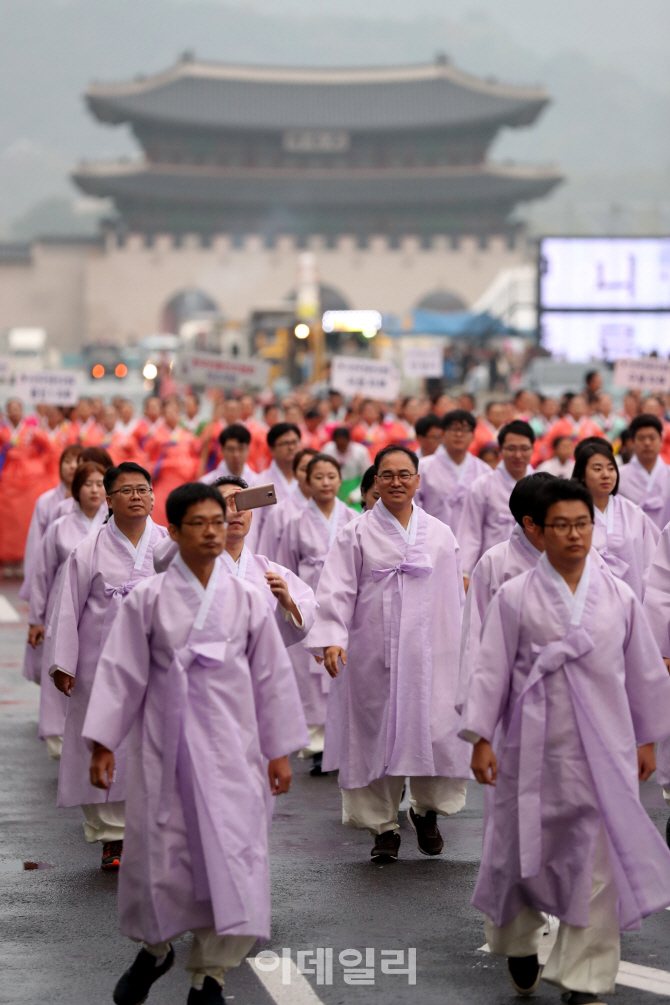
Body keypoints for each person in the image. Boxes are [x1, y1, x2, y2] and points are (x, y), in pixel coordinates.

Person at [83, 482, 308, 1005]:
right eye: (200, 523)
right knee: (161, 855)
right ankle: (155, 949)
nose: (213, 531)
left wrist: (278, 750)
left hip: (235, 750)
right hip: (166, 747)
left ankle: (209, 973)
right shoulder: (147, 598)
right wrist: (102, 745)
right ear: (177, 532)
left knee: (233, 856)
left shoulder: (249, 599)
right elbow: (120, 674)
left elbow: (271, 677)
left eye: (218, 521)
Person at [460, 477, 670, 1004]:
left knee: (596, 866)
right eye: (562, 525)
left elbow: (643, 671)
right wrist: (481, 736)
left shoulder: (618, 596)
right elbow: (490, 670)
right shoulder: (513, 596)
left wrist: (648, 739)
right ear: (539, 531)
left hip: (604, 747)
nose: (574, 535)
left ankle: (585, 976)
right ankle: (520, 939)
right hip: (529, 748)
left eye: (582, 524)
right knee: (518, 854)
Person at [305, 445, 471, 862]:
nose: (396, 482)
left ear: (418, 480)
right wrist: (332, 637)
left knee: (434, 729)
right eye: (387, 475)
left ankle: (428, 810)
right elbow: (336, 590)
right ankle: (382, 827)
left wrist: (462, 651)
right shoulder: (355, 533)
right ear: (375, 481)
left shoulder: (440, 534)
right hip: (372, 652)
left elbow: (454, 600)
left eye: (405, 474)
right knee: (372, 734)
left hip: (430, 654)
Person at [49, 462, 167, 870]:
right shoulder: (89, 548)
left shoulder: (168, 545)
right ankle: (111, 837)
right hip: (100, 661)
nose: (137, 496)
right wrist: (64, 662)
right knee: (105, 738)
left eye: (143, 489)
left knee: (151, 741)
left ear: (153, 497)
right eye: (127, 490)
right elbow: (66, 608)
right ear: (111, 500)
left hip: (156, 659)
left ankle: (150, 830)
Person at [276, 454, 357, 772]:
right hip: (308, 601)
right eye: (318, 477)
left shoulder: (352, 517)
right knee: (310, 675)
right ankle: (318, 744)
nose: (325, 482)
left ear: (340, 480)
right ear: (307, 482)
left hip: (340, 600)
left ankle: (341, 738)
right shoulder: (295, 523)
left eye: (331, 476)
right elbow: (285, 565)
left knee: (341, 668)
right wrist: (291, 602)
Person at [25, 462, 108, 760]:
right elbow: (42, 573)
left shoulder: (112, 525)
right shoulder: (59, 528)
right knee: (61, 664)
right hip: (64, 603)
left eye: (100, 483)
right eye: (89, 484)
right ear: (77, 490)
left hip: (100, 610)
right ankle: (59, 735)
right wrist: (36, 618)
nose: (95, 489)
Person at [458, 473, 553, 716]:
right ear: (529, 522)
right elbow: (476, 632)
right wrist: (476, 698)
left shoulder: (583, 557)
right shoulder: (495, 562)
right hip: (513, 679)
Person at [572, 438, 658, 599]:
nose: (606, 475)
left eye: (611, 469)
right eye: (597, 469)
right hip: (590, 599)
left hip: (634, 596)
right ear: (582, 474)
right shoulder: (570, 513)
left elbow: (651, 561)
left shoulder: (633, 512)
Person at [457, 420, 535, 583]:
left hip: (534, 568)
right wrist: (465, 572)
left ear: (533, 448)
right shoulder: (483, 485)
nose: (518, 455)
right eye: (511, 448)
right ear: (500, 450)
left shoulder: (545, 486)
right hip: (493, 570)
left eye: (524, 448)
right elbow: (471, 532)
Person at [20, 443, 82, 609]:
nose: (73, 466)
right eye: (67, 461)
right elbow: (35, 545)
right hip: (52, 576)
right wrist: (34, 587)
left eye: (78, 461)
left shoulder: (95, 503)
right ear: (60, 466)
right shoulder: (46, 501)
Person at [416, 410, 490, 532]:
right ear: (443, 434)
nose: (459, 434)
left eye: (465, 430)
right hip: (431, 537)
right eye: (454, 429)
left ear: (472, 436)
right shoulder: (423, 468)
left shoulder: (484, 470)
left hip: (470, 539)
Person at [0, 398, 50, 574]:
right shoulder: (3, 431)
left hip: (29, 479)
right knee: (8, 520)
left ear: (22, 411)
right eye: (11, 408)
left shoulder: (31, 431)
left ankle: (24, 559)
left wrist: (36, 464)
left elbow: (48, 447)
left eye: (17, 408)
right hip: (7, 479)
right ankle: (8, 559)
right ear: (7, 412)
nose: (14, 411)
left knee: (26, 520)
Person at [145, 398, 200, 526]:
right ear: (163, 414)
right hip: (164, 482)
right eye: (169, 412)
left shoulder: (188, 436)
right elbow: (147, 459)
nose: (172, 415)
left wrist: (192, 468)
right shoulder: (155, 436)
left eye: (175, 411)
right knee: (162, 518)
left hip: (185, 483)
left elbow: (197, 458)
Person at [255, 447, 317, 561]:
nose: (309, 475)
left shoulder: (341, 512)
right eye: (304, 469)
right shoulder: (279, 512)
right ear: (294, 473)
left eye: (314, 470)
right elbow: (267, 554)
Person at [617, 414, 670, 531]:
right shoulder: (618, 476)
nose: (647, 443)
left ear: (661, 440)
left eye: (652, 437)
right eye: (641, 438)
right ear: (631, 442)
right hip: (632, 546)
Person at [253, 422, 301, 547]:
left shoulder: (308, 480)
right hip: (270, 549)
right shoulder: (260, 483)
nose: (291, 448)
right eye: (285, 443)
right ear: (272, 449)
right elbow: (253, 526)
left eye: (295, 442)